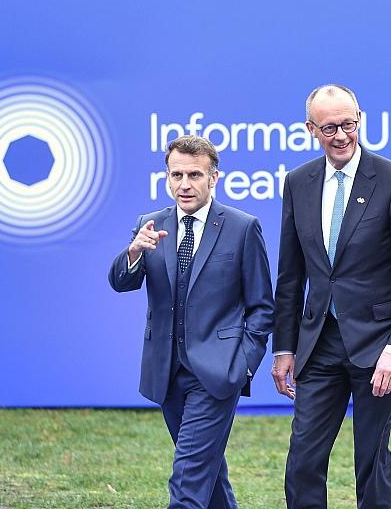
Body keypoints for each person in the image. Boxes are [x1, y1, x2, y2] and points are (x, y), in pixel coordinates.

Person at [271, 84, 391, 508]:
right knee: (303, 460)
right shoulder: (298, 183)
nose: (341, 135)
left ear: (359, 120)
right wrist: (283, 348)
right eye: (330, 128)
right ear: (311, 129)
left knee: (371, 460)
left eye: (349, 124)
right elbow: (290, 275)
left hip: (380, 345)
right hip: (319, 342)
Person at [108, 135, 274, 509]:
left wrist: (242, 366)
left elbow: (263, 307)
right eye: (176, 175)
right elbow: (121, 282)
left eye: (195, 175)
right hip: (166, 372)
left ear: (213, 178)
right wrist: (133, 251)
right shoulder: (149, 225)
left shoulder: (242, 227)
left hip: (217, 373)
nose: (184, 184)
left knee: (187, 478)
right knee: (207, 475)